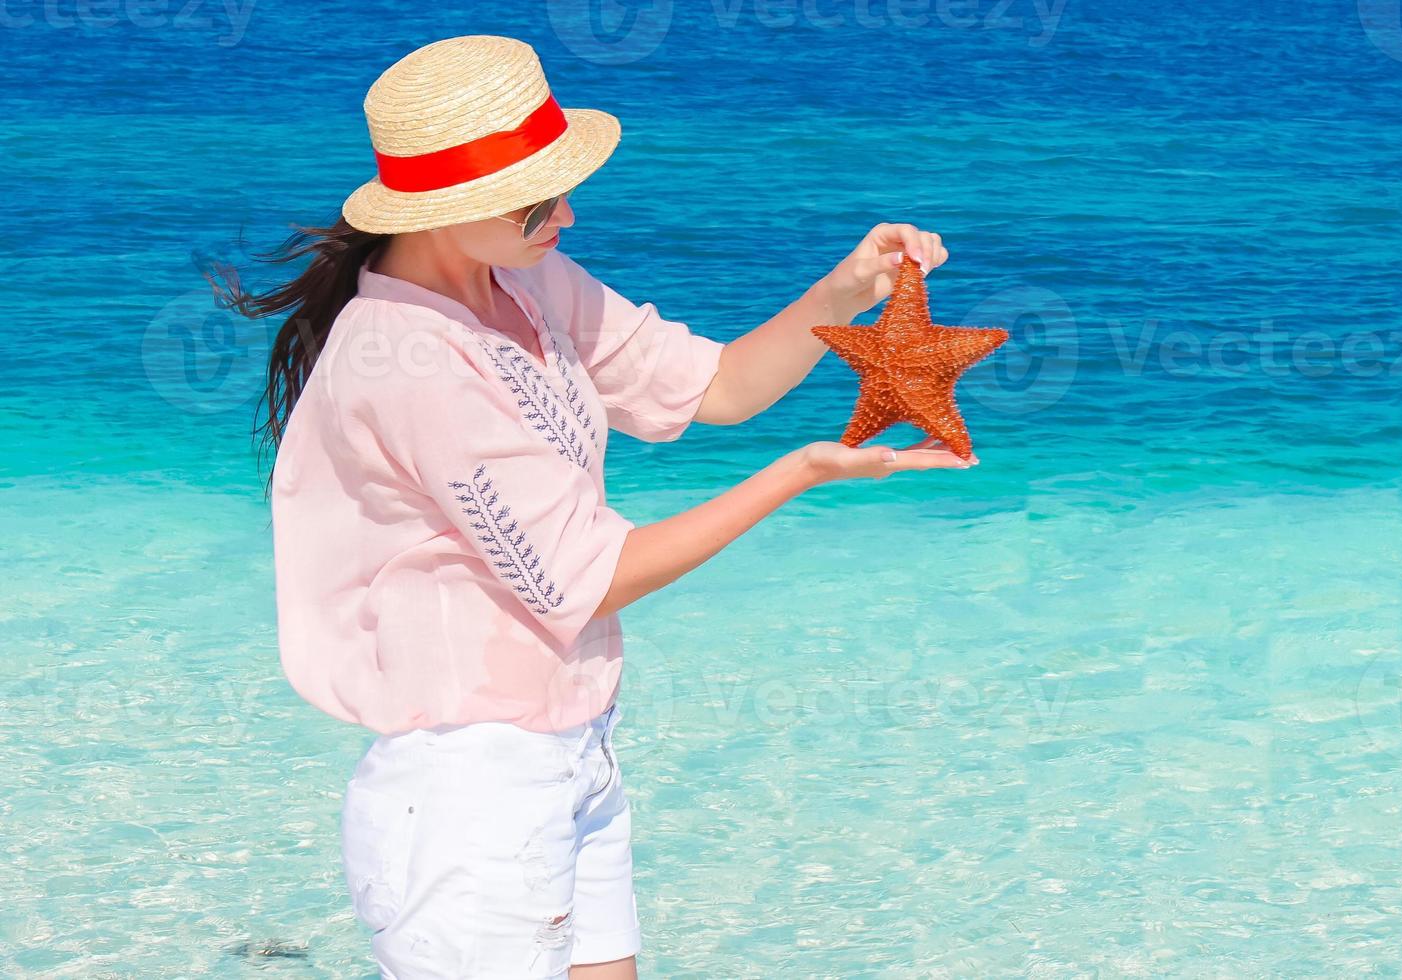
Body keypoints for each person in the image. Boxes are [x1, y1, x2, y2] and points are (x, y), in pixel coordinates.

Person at [215, 35, 968, 978]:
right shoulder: (403, 359)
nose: (568, 213)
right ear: (453, 208)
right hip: (469, 786)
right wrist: (799, 476)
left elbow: (718, 388)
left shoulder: (524, 281)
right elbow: (594, 578)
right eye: (541, 196)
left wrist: (844, 292)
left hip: (576, 748)